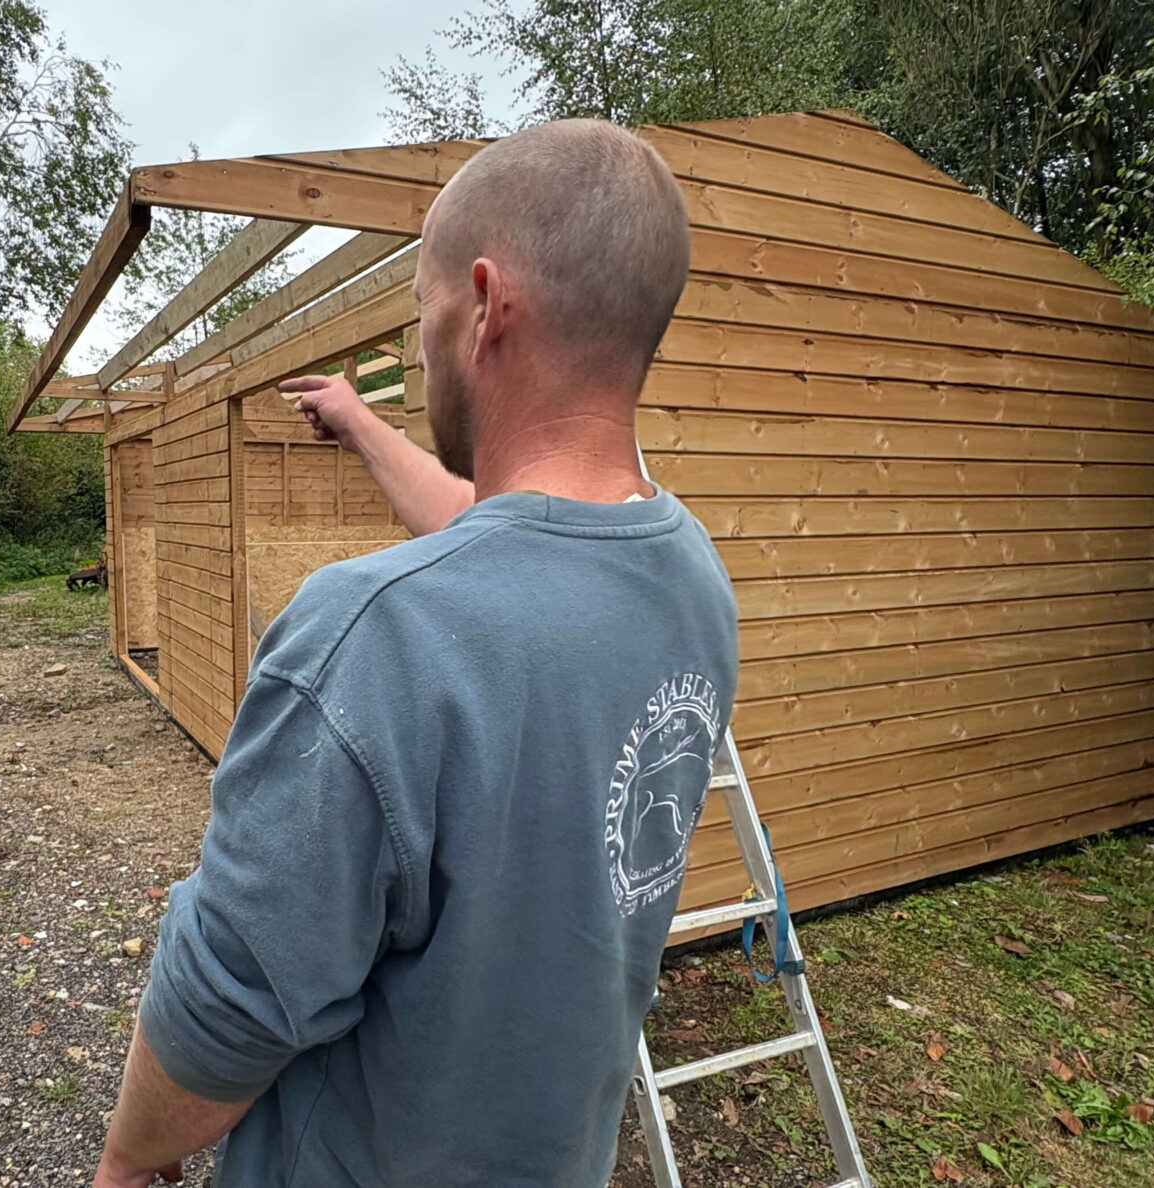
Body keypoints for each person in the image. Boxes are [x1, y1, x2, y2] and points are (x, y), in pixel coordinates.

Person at [92, 118, 739, 1188]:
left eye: (424, 313)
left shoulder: (369, 639)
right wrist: (359, 422)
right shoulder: (689, 576)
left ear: (484, 305)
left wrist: (128, 1154)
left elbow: (233, 999)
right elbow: (503, 544)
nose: (422, 347)